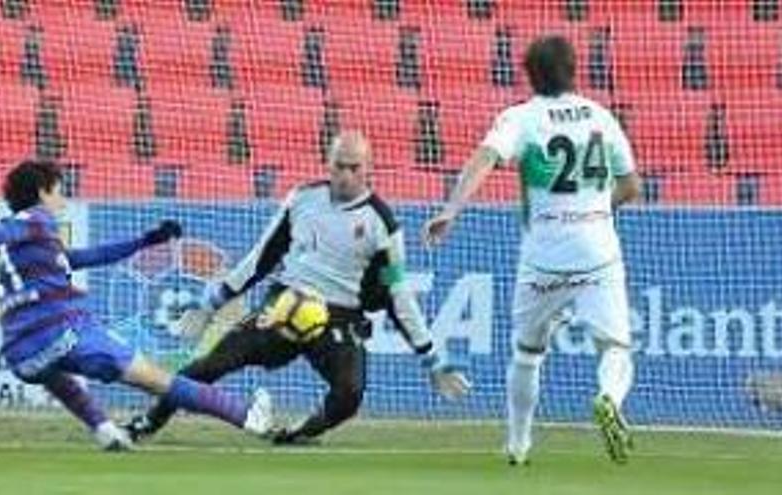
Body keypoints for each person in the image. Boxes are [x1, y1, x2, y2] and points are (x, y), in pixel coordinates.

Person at [126, 130, 470, 445]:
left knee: (350, 395)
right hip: (286, 302)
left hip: (340, 315)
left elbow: (398, 294)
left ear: (369, 169)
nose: (345, 175)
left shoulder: (383, 225)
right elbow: (261, 257)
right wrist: (212, 302)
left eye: (354, 167)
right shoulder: (302, 199)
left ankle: (300, 434)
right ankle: (148, 422)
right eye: (339, 166)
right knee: (209, 364)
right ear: (328, 164)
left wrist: (432, 358)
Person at [0, 160, 274, 450]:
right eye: (59, 192)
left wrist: (146, 240)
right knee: (158, 381)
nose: (63, 201)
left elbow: (91, 255)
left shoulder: (30, 249)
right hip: (66, 331)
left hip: (21, 355)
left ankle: (103, 429)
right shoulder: (34, 220)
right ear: (42, 192)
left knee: (58, 376)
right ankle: (247, 417)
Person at [423, 35, 642, 465]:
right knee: (615, 346)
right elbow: (632, 185)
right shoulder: (602, 116)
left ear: (529, 74)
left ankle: (518, 446)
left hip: (544, 255)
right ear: (574, 69)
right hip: (598, 249)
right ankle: (608, 397)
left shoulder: (521, 118)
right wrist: (594, 207)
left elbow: (484, 159)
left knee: (527, 352)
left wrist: (451, 209)